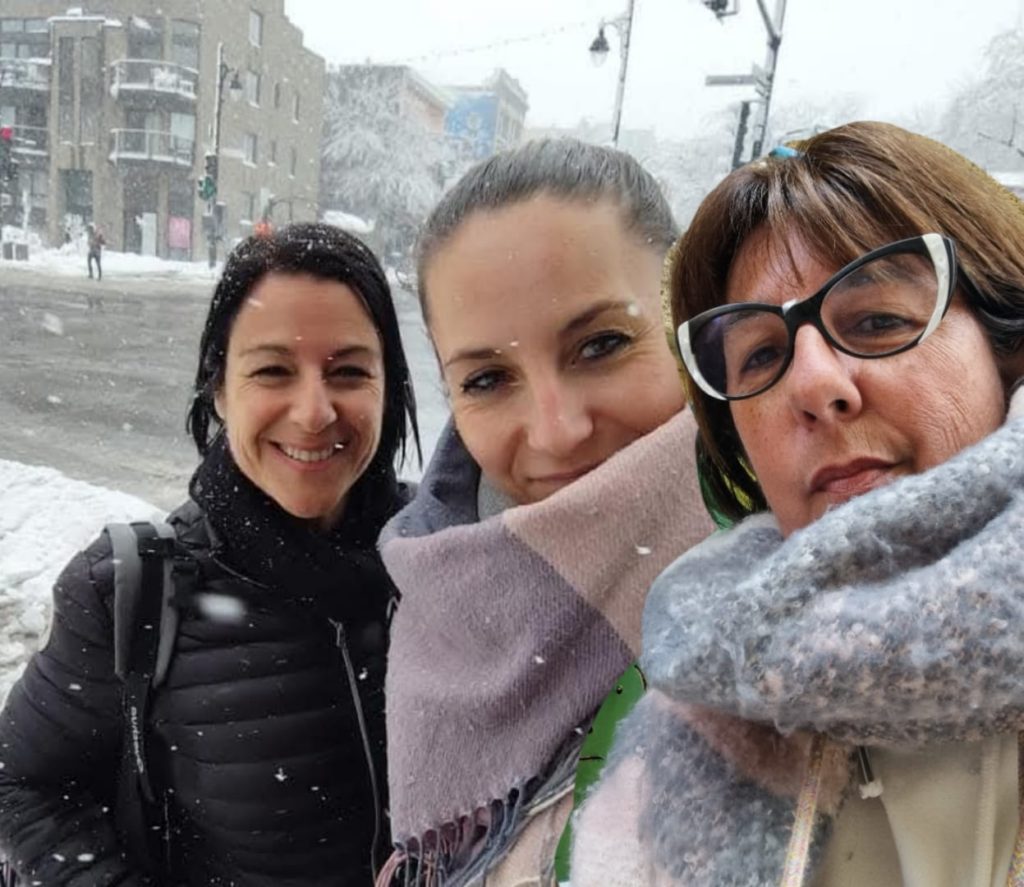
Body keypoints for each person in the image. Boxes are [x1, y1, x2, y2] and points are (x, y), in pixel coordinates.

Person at [571, 121, 1024, 887]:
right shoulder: (683, 735)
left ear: (1007, 341)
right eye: (763, 356)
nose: (812, 384)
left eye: (879, 320)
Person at [0, 223, 420, 886]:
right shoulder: (131, 593)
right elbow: (24, 785)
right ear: (220, 389)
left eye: (347, 371)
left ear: (387, 386)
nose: (313, 411)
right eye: (273, 369)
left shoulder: (447, 557)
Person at [374, 139, 715, 887]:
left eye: (601, 344)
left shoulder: (818, 610)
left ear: (689, 318)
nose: (556, 429)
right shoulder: (442, 587)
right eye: (489, 377)